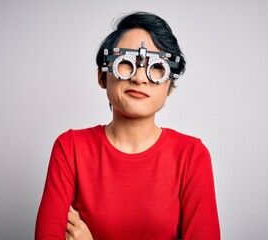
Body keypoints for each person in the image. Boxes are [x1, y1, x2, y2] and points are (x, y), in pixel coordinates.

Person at [35, 11, 220, 240]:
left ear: (170, 87)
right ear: (103, 76)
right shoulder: (71, 148)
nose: (140, 78)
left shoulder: (192, 155)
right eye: (126, 63)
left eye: (156, 67)